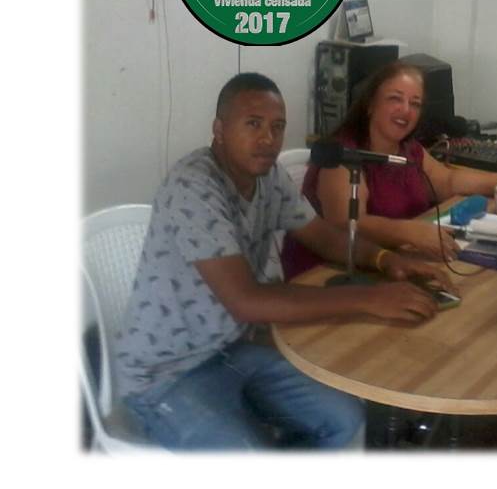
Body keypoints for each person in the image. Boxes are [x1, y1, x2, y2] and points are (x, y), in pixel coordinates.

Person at [113, 73, 453, 451]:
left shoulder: (269, 176)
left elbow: (322, 235)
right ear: (219, 129)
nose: (268, 139)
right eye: (253, 124)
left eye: (277, 127)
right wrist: (370, 298)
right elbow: (247, 301)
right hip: (166, 374)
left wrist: (385, 259)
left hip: (234, 348)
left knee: (345, 421)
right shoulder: (192, 187)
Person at [281, 61, 497, 280]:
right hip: (330, 272)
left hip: (391, 261)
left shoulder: (409, 149)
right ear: (370, 104)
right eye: (395, 99)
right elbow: (345, 223)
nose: (406, 110)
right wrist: (409, 232)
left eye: (415, 104)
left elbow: (447, 180)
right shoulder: (342, 155)